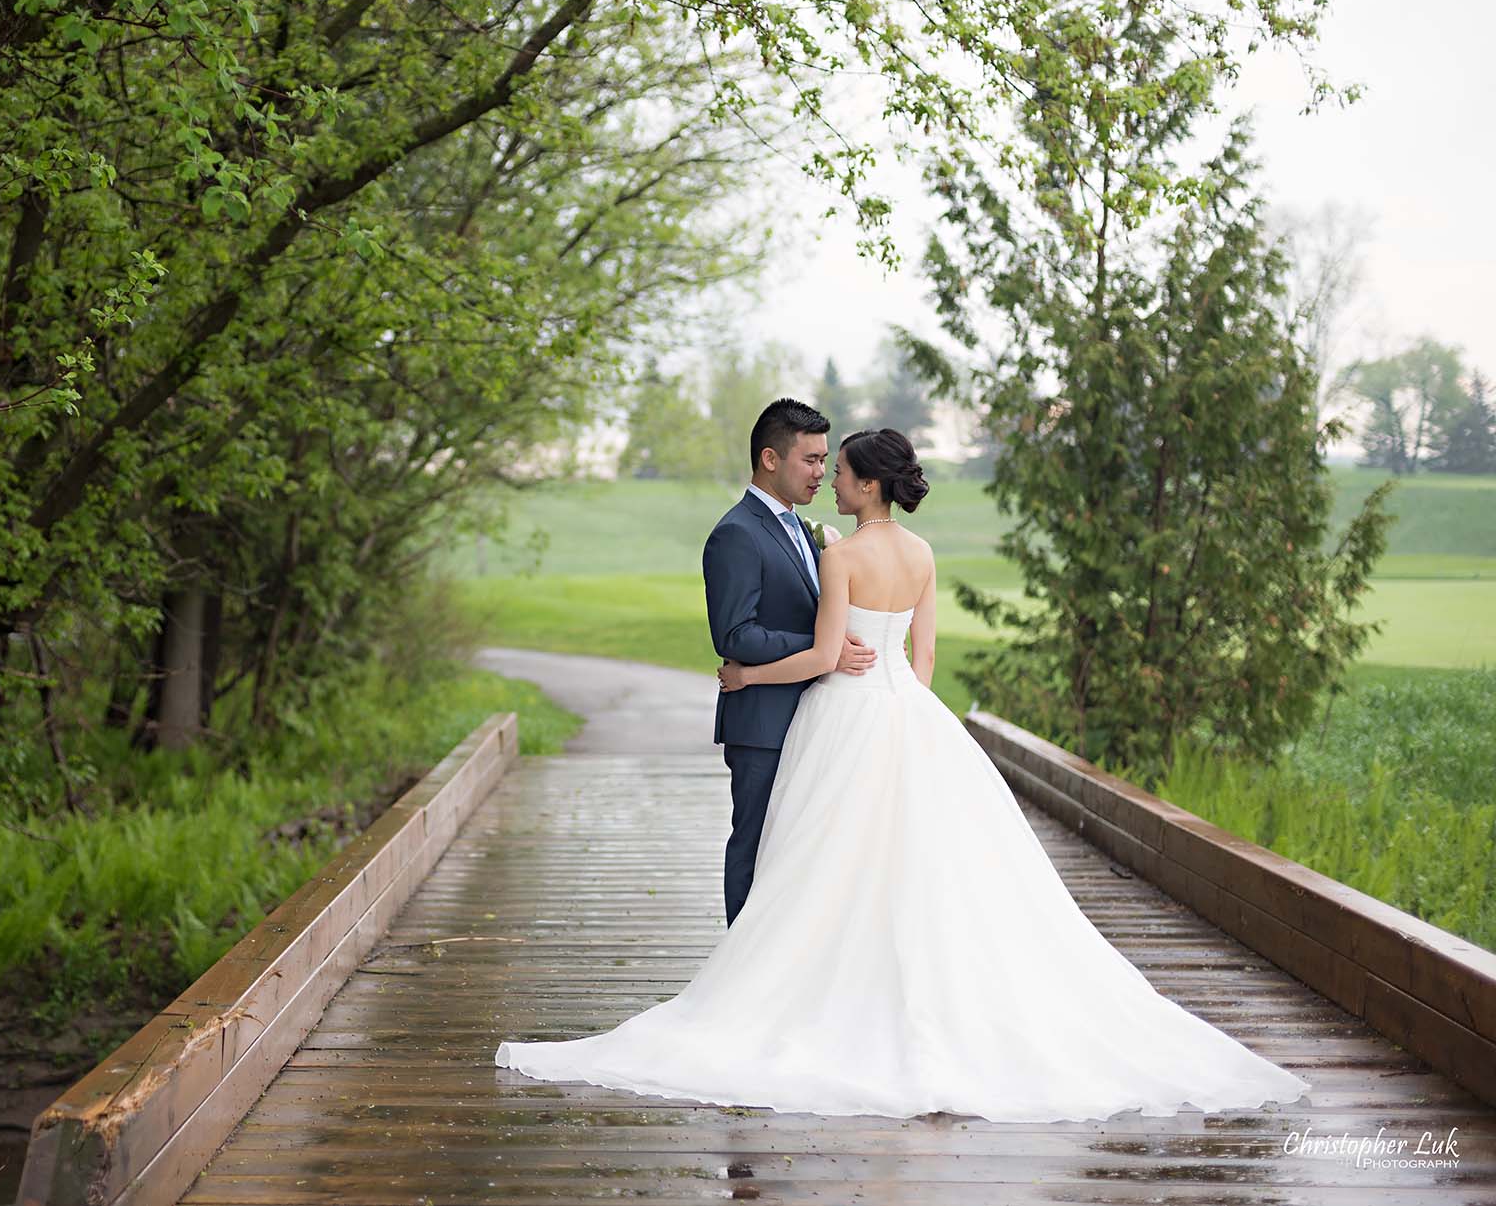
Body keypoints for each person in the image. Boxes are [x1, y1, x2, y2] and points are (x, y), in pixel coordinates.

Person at [494, 427, 1312, 1122]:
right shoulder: (920, 554)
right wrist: (902, 716)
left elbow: (821, 656)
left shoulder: (844, 555)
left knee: (823, 861)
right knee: (917, 867)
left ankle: (810, 992)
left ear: (868, 482)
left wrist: (742, 677)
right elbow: (923, 665)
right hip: (910, 719)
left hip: (844, 714)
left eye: (842, 471)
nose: (833, 481)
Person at [697, 398, 877, 927]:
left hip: (815, 717)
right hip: (763, 723)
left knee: (800, 852)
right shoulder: (736, 533)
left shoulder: (802, 528)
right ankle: (738, 971)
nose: (823, 472)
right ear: (770, 459)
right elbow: (734, 634)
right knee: (755, 843)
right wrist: (822, 649)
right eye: (811, 460)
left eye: (826, 460)